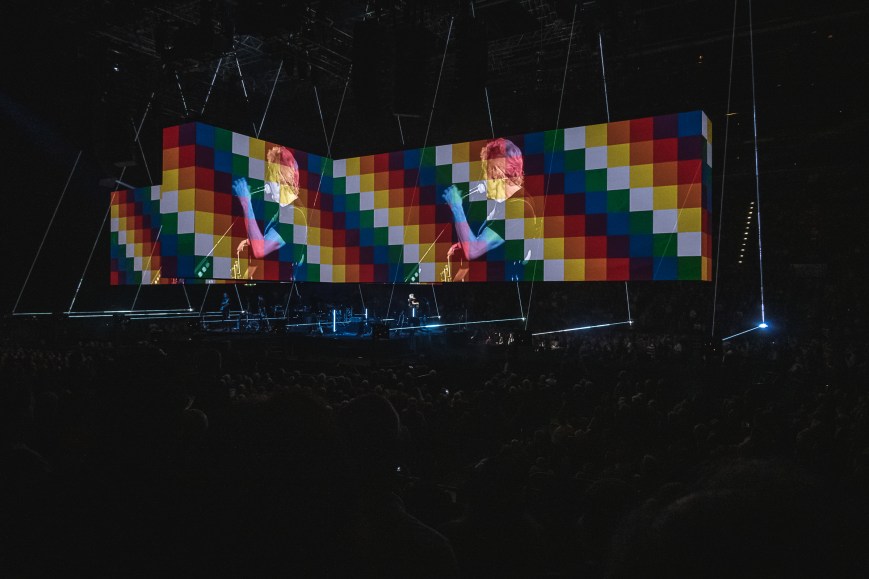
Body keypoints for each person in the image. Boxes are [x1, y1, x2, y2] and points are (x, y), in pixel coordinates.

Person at [441, 137, 540, 281]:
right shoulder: (508, 203)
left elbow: (473, 251)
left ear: (496, 172)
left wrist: (457, 208)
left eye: (485, 172)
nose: (483, 180)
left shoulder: (518, 208)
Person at [232, 145, 304, 279]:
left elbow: (260, 249)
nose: (266, 185)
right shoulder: (285, 210)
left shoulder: (295, 215)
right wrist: (249, 241)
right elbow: (274, 239)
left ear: (280, 180)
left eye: (269, 178)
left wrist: (246, 203)